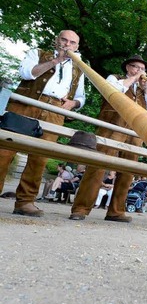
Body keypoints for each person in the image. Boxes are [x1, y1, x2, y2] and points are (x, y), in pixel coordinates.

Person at [0, 30, 86, 217]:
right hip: (25, 105)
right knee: (4, 151)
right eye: (64, 40)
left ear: (77, 47)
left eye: (72, 42)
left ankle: (25, 202)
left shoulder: (79, 68)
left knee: (40, 158)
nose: (67, 44)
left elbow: (80, 98)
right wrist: (55, 61)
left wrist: (74, 103)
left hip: (55, 112)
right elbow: (26, 73)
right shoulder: (38, 53)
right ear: (57, 41)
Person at [69, 55, 147, 222]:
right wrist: (133, 79)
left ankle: (116, 211)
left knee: (127, 171)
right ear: (127, 68)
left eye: (142, 69)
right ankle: (81, 208)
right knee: (98, 167)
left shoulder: (143, 89)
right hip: (112, 127)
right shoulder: (114, 78)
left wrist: (146, 89)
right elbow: (113, 90)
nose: (139, 71)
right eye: (135, 67)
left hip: (134, 132)